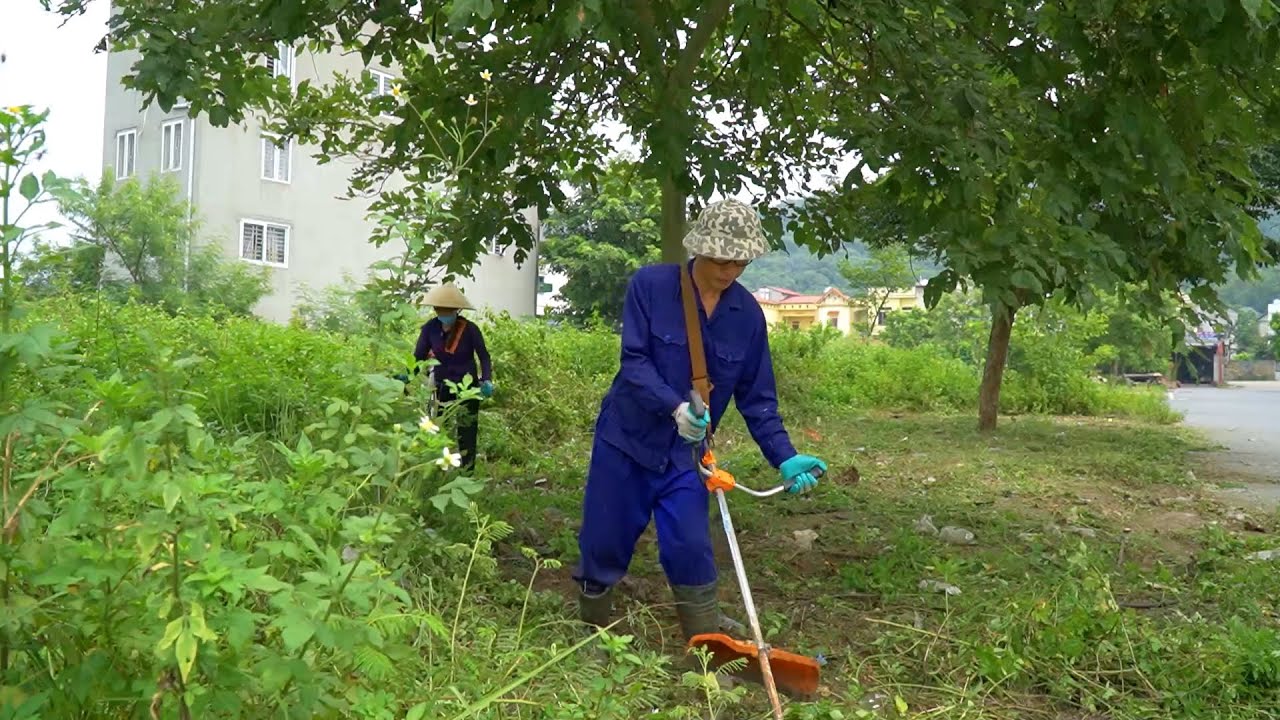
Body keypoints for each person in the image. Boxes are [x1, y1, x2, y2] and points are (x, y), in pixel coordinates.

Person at [573, 198, 827, 642]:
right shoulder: (650, 286)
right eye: (721, 260)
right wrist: (674, 407)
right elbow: (634, 363)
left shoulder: (746, 315)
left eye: (740, 262)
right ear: (700, 250)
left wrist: (784, 457)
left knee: (691, 545)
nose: (729, 271)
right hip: (626, 439)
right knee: (605, 538)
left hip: (685, 455)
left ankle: (705, 644)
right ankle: (592, 625)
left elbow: (757, 397)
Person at [413, 284, 494, 473]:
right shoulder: (429, 329)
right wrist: (407, 377)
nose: (444, 314)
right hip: (440, 385)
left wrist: (486, 379)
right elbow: (418, 357)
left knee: (467, 429)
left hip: (467, 387)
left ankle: (467, 471)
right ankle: (440, 469)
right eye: (440, 310)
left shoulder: (470, 329)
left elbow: (484, 356)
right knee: (437, 427)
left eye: (448, 311)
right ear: (435, 310)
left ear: (457, 311)